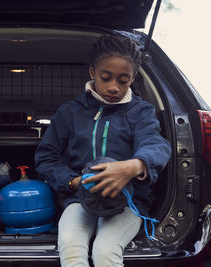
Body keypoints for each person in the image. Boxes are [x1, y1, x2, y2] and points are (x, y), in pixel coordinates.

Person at [34, 35, 172, 267]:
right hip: (80, 199)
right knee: (71, 248)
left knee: (105, 252)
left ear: (133, 78)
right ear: (92, 72)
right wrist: (73, 182)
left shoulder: (141, 112)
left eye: (123, 80)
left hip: (129, 203)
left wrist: (134, 166)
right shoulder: (70, 112)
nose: (113, 88)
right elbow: (47, 157)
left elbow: (156, 144)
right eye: (105, 77)